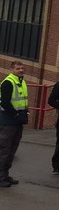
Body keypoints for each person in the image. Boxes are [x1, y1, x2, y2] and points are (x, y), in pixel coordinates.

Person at [0, 60, 28, 188]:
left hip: (17, 121)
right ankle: (1, 177)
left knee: (12, 150)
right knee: (4, 150)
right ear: (12, 69)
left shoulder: (21, 82)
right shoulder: (8, 82)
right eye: (18, 68)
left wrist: (23, 114)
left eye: (22, 68)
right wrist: (16, 115)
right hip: (8, 121)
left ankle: (5, 175)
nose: (21, 70)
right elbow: (4, 102)